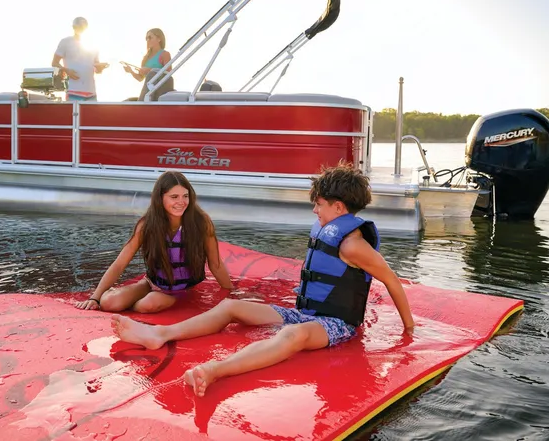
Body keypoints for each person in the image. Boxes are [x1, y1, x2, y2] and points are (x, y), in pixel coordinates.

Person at [111, 163, 415, 396]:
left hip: (335, 325)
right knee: (232, 307)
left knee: (292, 336)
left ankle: (215, 370)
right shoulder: (329, 232)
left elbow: (391, 281)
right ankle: (160, 334)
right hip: (304, 314)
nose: (314, 210)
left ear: (338, 207)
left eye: (319, 204)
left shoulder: (352, 245)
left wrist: (409, 331)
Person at [76, 171, 234, 313]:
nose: (181, 202)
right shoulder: (147, 225)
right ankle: (132, 300)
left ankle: (139, 304)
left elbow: (215, 264)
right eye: (174, 197)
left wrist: (231, 293)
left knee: (149, 303)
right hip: (152, 284)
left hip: (182, 291)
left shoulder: (201, 222)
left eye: (185, 196)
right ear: (160, 198)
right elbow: (120, 264)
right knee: (108, 302)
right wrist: (95, 298)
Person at [52, 16, 109, 101]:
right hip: (73, 91)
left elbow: (97, 69)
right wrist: (66, 70)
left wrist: (100, 68)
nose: (81, 29)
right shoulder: (65, 42)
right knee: (74, 111)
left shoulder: (93, 45)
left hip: (91, 93)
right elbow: (54, 63)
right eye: (78, 27)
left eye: (83, 27)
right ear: (73, 27)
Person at [121, 28, 174, 101]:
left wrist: (149, 70)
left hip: (161, 90)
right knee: (127, 102)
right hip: (149, 92)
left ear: (159, 39)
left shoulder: (164, 54)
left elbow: (168, 72)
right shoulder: (145, 58)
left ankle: (141, 103)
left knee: (151, 74)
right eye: (146, 38)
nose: (147, 40)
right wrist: (131, 71)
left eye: (150, 37)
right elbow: (140, 78)